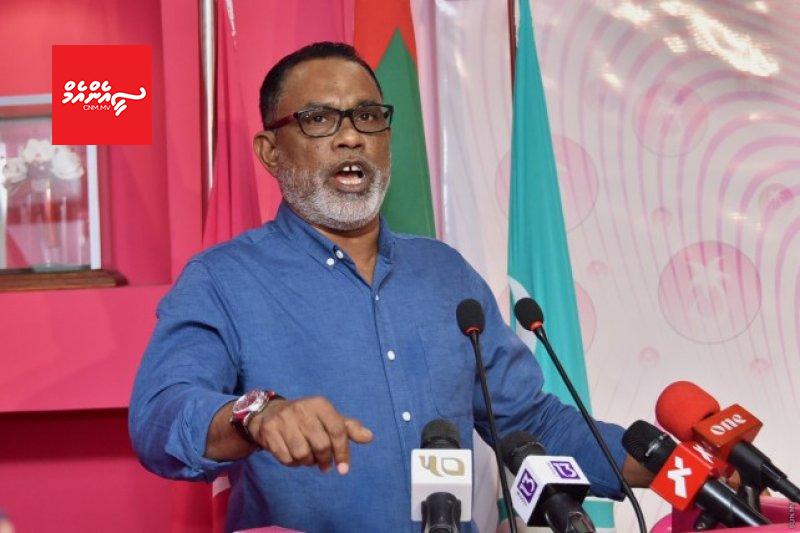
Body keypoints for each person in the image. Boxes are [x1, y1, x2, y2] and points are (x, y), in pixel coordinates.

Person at [129, 42, 651, 533]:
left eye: (367, 116)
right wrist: (257, 414)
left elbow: (531, 422)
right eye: (319, 120)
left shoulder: (445, 273)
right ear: (270, 152)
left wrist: (666, 464)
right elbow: (159, 417)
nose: (351, 137)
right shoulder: (223, 278)